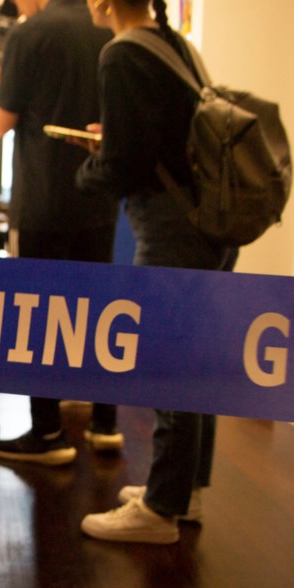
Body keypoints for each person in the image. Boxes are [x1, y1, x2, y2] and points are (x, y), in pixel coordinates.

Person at [75, 0, 237, 544]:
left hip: (170, 229)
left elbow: (125, 165)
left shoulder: (121, 53)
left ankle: (160, 511)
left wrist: (86, 167)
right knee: (196, 362)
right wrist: (114, 143)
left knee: (168, 362)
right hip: (208, 225)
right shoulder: (176, 45)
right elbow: (161, 140)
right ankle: (183, 489)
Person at [0, 0, 122, 465]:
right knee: (98, 311)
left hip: (43, 198)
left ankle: (48, 433)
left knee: (37, 314)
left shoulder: (29, 34)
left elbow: (0, 123)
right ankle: (104, 424)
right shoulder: (108, 27)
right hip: (99, 196)